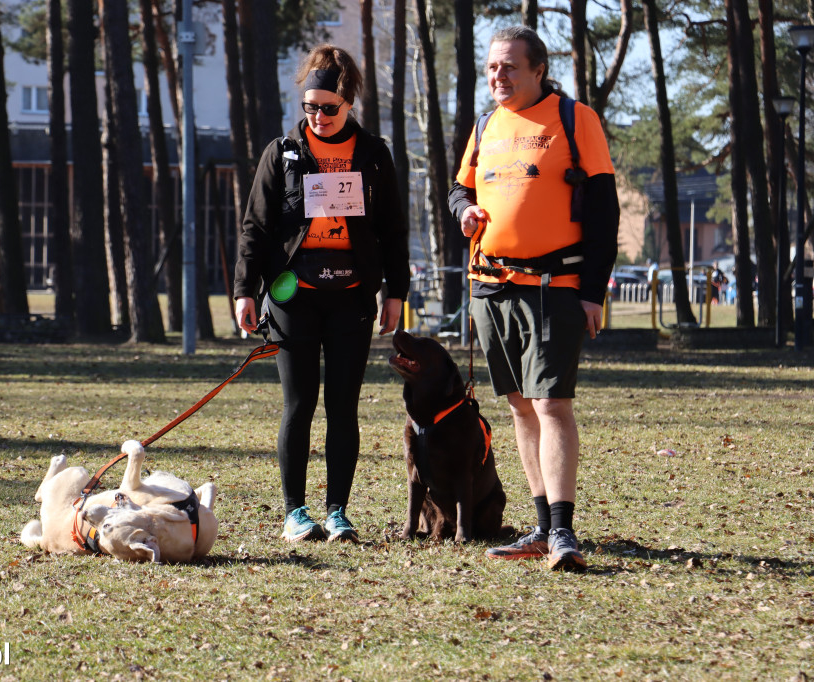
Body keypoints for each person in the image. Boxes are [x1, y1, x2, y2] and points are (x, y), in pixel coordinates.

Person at [448, 26, 619, 571]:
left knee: (551, 403)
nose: (497, 76)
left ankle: (564, 531)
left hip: (556, 287)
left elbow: (604, 210)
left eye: (509, 67)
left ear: (538, 69)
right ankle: (542, 526)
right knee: (520, 405)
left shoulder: (574, 119)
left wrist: (593, 291)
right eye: (492, 68)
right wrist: (464, 213)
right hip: (492, 286)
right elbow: (460, 189)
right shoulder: (485, 124)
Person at [234, 44, 409, 544]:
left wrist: (396, 292)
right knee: (299, 404)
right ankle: (295, 512)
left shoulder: (373, 154)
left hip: (352, 295)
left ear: (349, 102)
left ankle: (338, 512)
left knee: (343, 406)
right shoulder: (281, 153)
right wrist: (245, 290)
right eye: (310, 107)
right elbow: (256, 228)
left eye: (329, 108)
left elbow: (393, 230)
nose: (319, 116)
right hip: (294, 296)